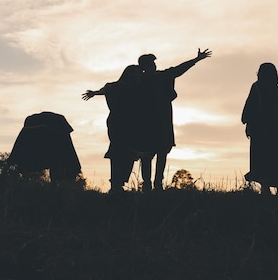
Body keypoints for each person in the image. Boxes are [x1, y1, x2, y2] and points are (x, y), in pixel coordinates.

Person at [138, 48, 212, 192]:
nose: (154, 66)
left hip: (162, 122)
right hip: (148, 124)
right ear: (144, 67)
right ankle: (148, 184)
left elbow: (179, 69)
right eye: (151, 64)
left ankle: (157, 183)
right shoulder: (140, 81)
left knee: (160, 153)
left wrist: (196, 60)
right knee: (147, 155)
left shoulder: (160, 77)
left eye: (153, 63)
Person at [83, 65, 145, 193]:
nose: (140, 76)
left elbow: (104, 89)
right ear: (131, 75)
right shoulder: (135, 88)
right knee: (125, 151)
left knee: (119, 151)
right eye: (138, 74)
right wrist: (95, 93)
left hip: (116, 121)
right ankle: (117, 183)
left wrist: (94, 93)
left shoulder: (112, 86)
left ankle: (117, 183)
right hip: (127, 123)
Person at [241, 63, 278, 195]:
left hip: (262, 130)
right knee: (277, 159)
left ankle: (266, 189)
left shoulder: (259, 87)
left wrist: (249, 124)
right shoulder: (273, 89)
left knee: (263, 159)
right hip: (273, 130)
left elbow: (250, 107)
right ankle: (277, 189)